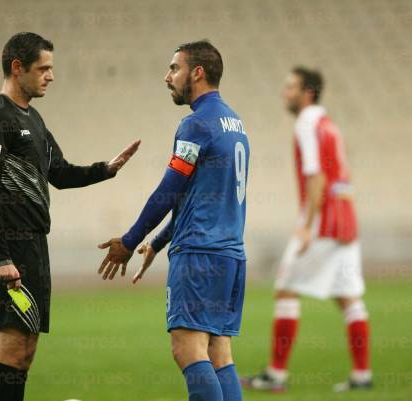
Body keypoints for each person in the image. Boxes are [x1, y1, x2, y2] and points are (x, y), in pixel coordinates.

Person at [0, 32, 140, 401]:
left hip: (33, 245)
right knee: (10, 346)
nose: (50, 76)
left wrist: (105, 169)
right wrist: (0, 256)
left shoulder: (32, 119)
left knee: (25, 350)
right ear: (17, 68)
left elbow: (60, 173)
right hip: (8, 248)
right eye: (43, 68)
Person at [98, 40, 249, 401]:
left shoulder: (195, 125)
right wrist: (160, 241)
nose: (167, 77)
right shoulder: (234, 123)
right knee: (218, 354)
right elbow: (198, 195)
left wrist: (130, 241)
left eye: (174, 68)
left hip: (199, 254)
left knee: (187, 350)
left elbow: (169, 189)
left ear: (197, 72)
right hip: (230, 255)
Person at [241, 67, 371, 392]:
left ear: (307, 93)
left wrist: (307, 226)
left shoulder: (307, 122)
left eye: (290, 87)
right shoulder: (329, 124)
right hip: (345, 217)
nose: (285, 93)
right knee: (348, 297)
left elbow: (316, 176)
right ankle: (362, 375)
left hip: (323, 220)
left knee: (285, 287)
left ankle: (276, 374)